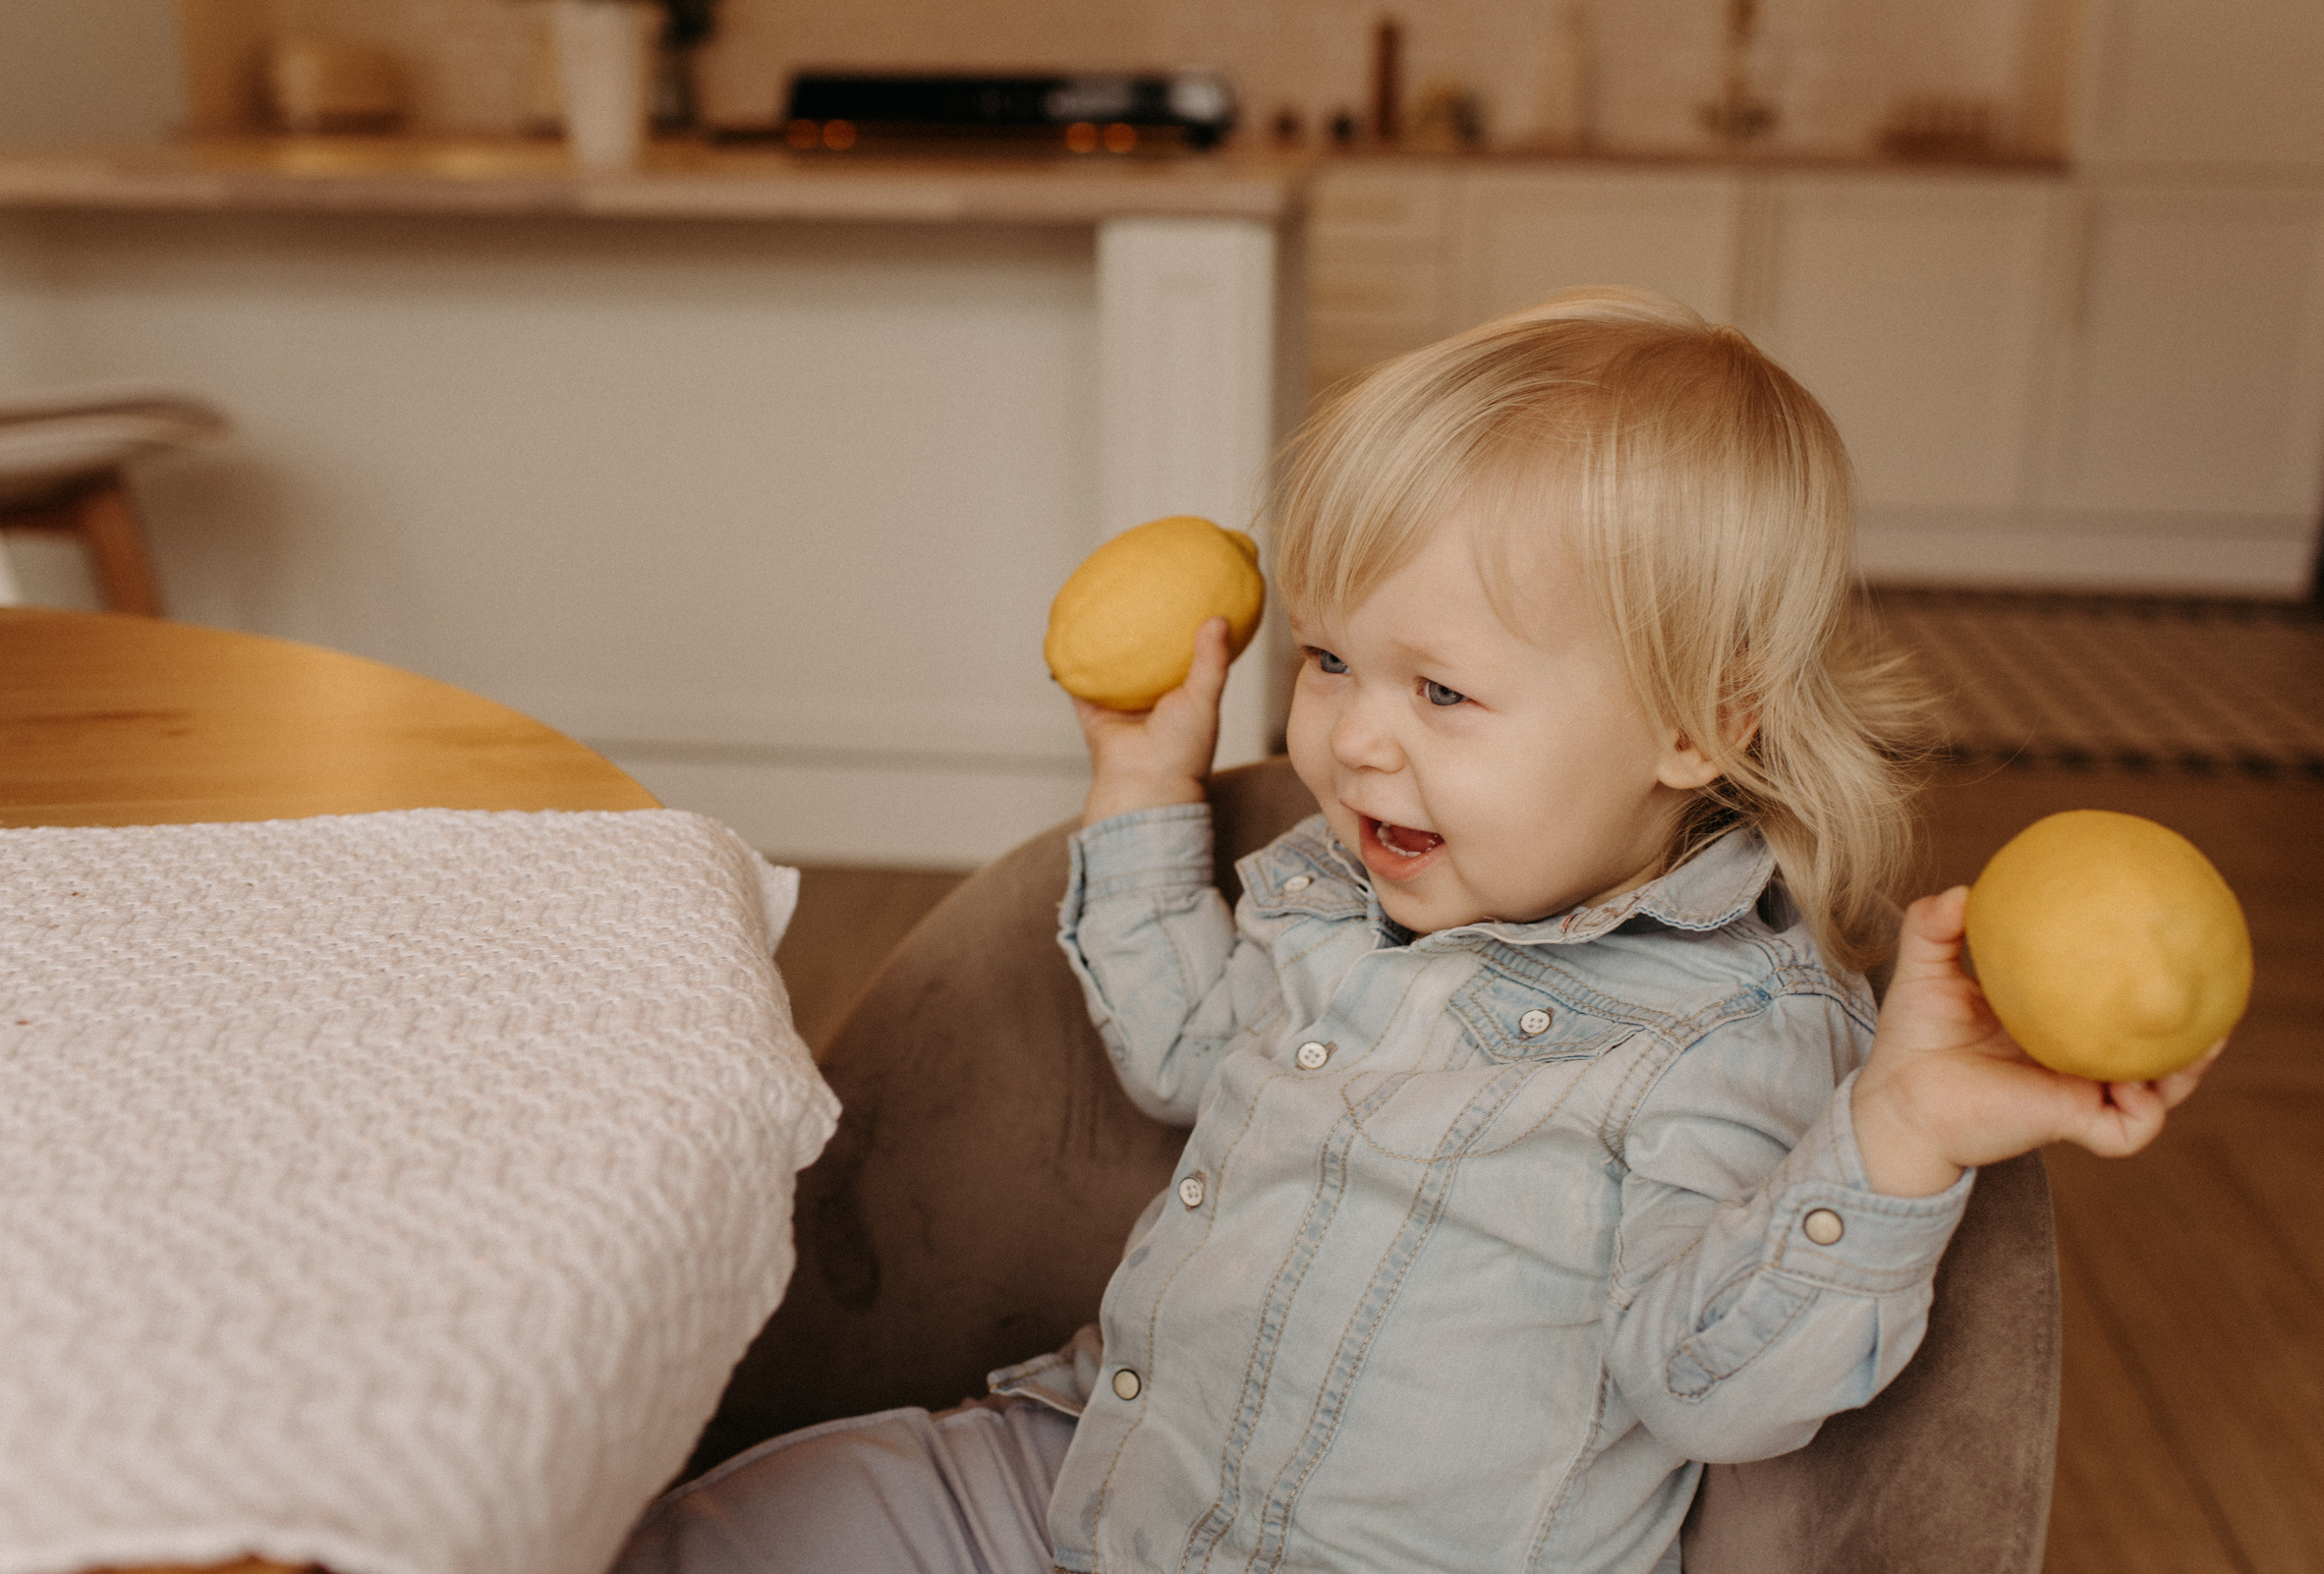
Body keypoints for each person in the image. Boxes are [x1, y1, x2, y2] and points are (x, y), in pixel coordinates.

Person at [612, 287, 2217, 1574]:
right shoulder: (1334, 877)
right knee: (708, 1531)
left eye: (1441, 690)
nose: (1356, 739)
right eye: (1327, 660)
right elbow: (1178, 1052)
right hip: (1091, 1478)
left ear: (1693, 725)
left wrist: (1903, 1124)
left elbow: (1712, 1387)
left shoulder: (1733, 1034)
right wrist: (1140, 783)